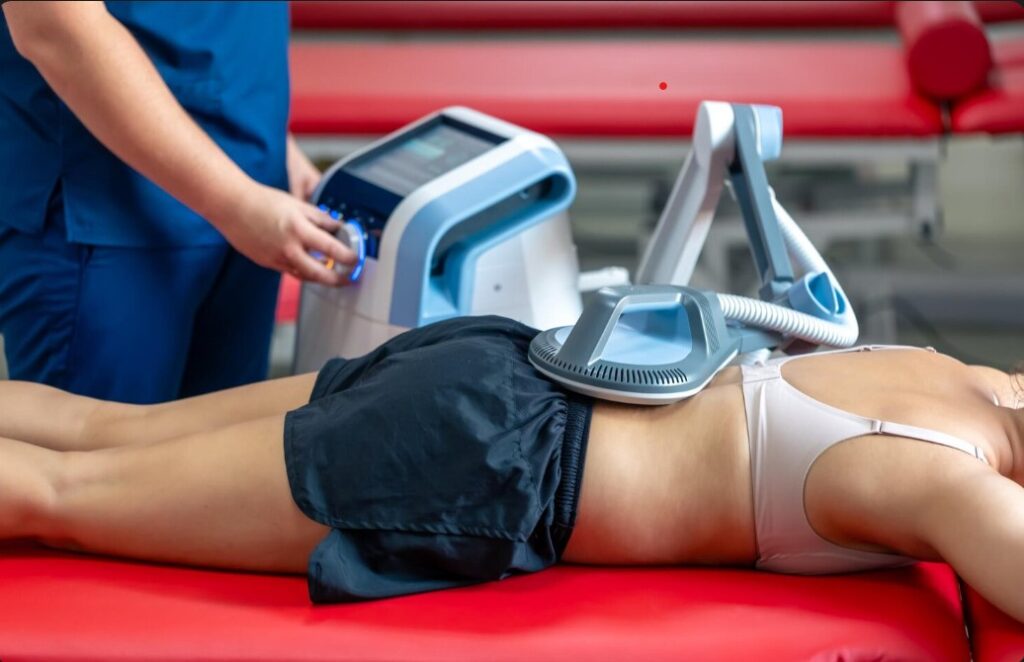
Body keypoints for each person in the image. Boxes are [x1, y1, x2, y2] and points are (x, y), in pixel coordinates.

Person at [0, 315, 1022, 619]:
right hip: (480, 455)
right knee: (66, 498)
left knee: (100, 432)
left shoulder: (963, 372)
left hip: (500, 359)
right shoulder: (948, 477)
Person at [0, 1, 355, 403]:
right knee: (102, 459)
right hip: (105, 210)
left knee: (229, 454)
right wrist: (236, 200)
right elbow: (54, 28)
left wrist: (273, 144)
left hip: (249, 190)